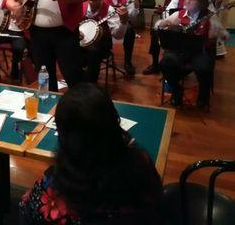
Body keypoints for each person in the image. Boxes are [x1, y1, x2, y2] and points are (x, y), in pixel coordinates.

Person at [19, 83, 162, 224]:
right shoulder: (142, 166)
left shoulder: (50, 192)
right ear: (115, 124)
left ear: (65, 137)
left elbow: (25, 212)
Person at [156, 0, 227, 107]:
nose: (187, 1)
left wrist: (216, 34)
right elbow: (160, 25)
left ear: (201, 4)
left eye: (191, 0)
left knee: (203, 68)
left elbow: (224, 35)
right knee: (165, 63)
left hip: (200, 52)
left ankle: (203, 95)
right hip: (180, 51)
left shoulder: (209, 16)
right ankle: (177, 90)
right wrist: (165, 24)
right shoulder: (179, 14)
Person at [143, 0, 215, 75]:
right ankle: (155, 65)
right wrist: (171, 23)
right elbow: (166, 13)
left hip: (196, 40)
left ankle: (180, 70)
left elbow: (212, 18)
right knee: (156, 32)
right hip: (178, 31)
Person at [81, 0, 127, 83]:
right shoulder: (81, 7)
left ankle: (90, 84)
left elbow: (118, 35)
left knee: (93, 51)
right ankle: (78, 80)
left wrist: (123, 21)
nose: (94, 3)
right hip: (82, 43)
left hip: (102, 45)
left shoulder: (109, 10)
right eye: (91, 0)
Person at [102, 0, 138, 76]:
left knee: (130, 31)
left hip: (123, 21)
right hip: (106, 23)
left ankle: (127, 61)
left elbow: (133, 15)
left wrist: (134, 7)